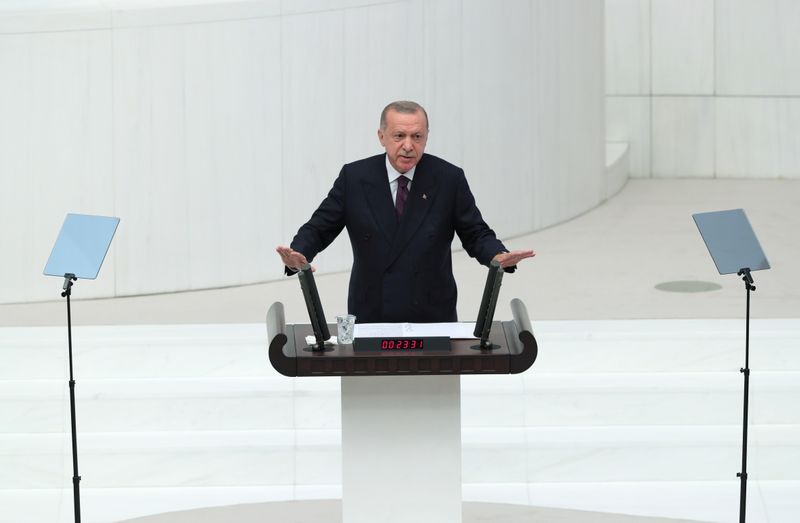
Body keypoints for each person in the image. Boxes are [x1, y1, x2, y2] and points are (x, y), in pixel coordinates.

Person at [277, 100, 534, 323]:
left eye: (417, 137)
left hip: (432, 312)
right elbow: (320, 227)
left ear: (427, 137)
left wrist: (497, 255)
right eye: (399, 136)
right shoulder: (354, 178)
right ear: (382, 136)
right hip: (372, 311)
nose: (409, 146)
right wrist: (298, 253)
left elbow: (476, 233)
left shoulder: (448, 179)